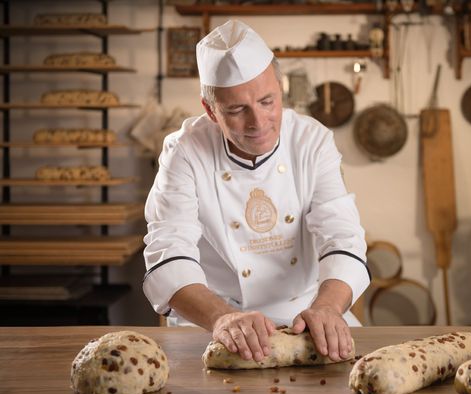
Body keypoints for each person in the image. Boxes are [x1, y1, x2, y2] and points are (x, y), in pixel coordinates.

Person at [142, 20, 370, 363]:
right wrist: (222, 318)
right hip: (214, 324)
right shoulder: (184, 150)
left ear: (281, 89)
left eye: (267, 101)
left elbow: (342, 236)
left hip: (306, 319)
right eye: (236, 110)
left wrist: (327, 308)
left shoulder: (312, 140)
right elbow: (168, 251)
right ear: (210, 110)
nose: (258, 122)